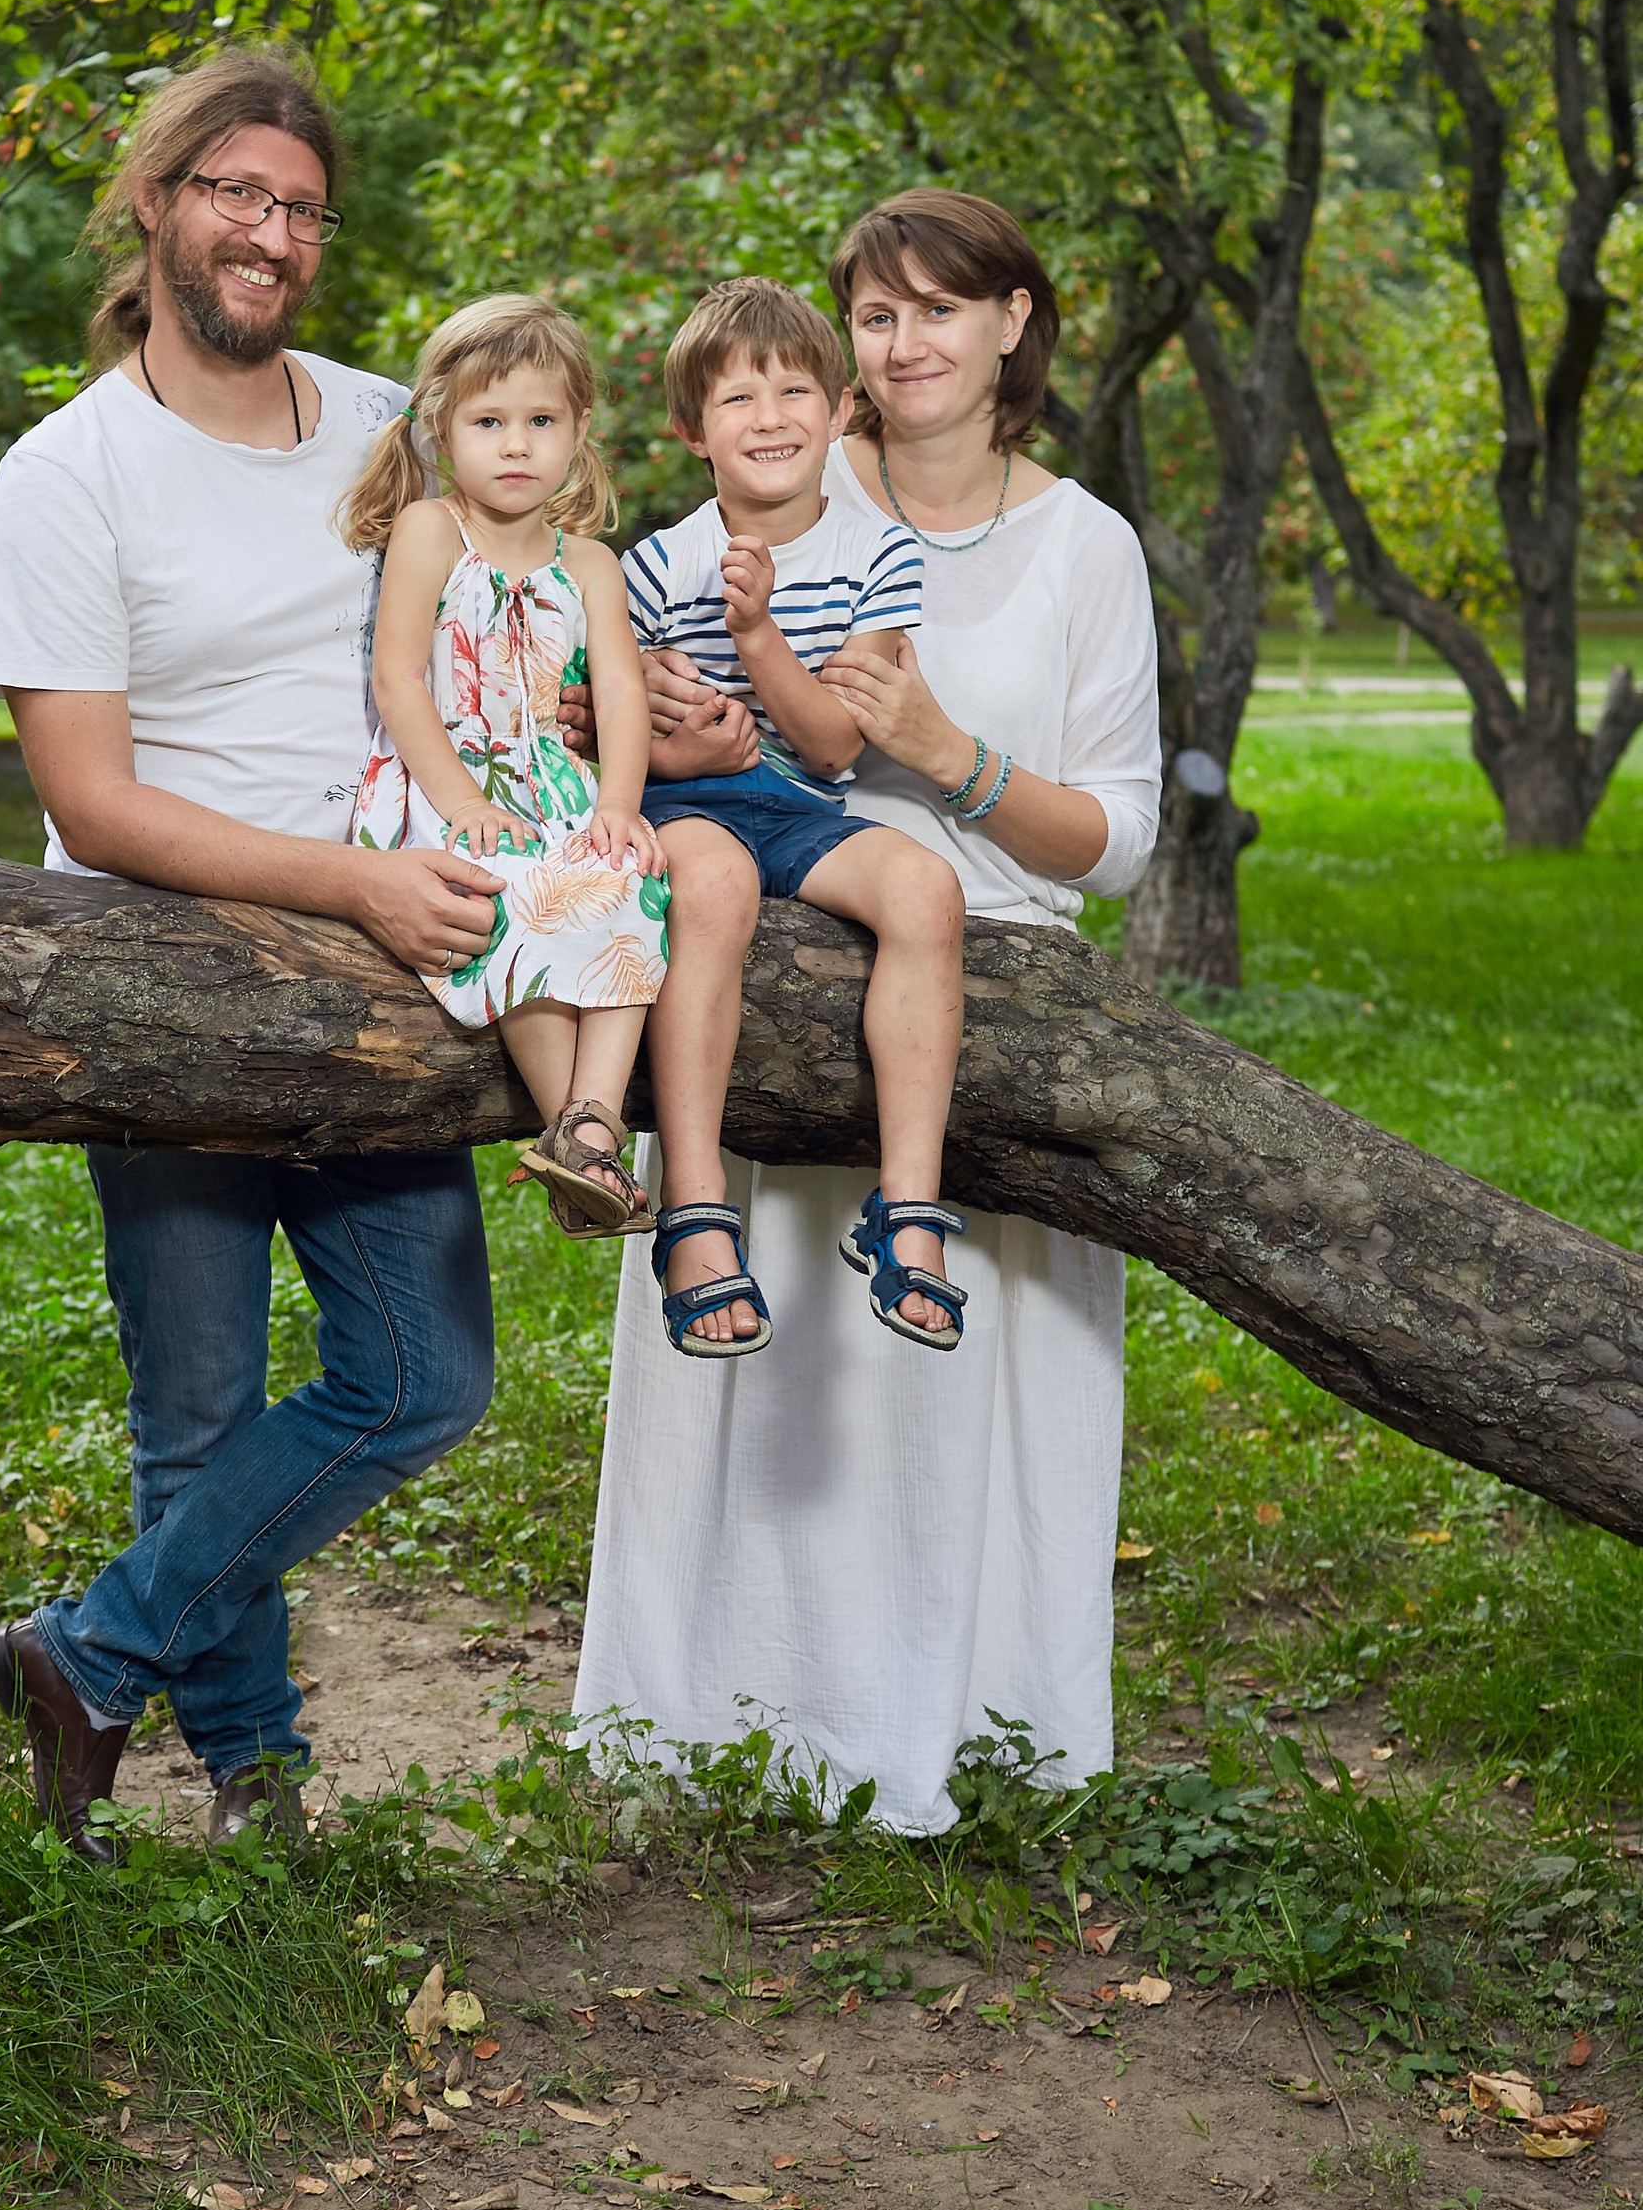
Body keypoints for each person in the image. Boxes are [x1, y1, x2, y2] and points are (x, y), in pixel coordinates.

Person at [0, 44, 514, 1862]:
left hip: (382, 992)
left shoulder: (384, 424)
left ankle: (85, 1647)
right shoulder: (70, 473)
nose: (269, 232)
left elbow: (506, 619)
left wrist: (642, 680)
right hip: (169, 985)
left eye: (299, 207)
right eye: (236, 194)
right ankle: (259, 1771)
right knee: (197, 1401)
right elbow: (92, 802)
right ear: (158, 202)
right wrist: (336, 885)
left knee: (423, 1379)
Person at [575, 193, 1161, 1829]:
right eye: (876, 316)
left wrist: (951, 754)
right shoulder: (760, 505)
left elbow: (1119, 844)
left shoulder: (1083, 546)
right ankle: (730, 1725)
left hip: (994, 972)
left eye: (940, 312)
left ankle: (974, 1734)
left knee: (955, 1388)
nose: (905, 346)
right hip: (760, 966)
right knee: (773, 1389)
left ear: (1015, 327)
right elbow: (620, 686)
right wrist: (667, 732)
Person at [624, 277, 973, 1358]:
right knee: (710, 888)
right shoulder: (649, 567)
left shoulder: (879, 555)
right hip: (682, 807)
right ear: (691, 430)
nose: (768, 417)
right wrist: (671, 727)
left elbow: (831, 747)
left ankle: (906, 1210)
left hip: (797, 805)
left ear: (838, 411)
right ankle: (693, 1212)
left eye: (791, 392)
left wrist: (758, 633)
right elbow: (602, 731)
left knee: (924, 887)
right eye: (735, 399)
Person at [344, 295, 667, 1237]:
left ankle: (590, 1128)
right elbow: (400, 682)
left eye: (541, 422)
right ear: (443, 429)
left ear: (579, 433)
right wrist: (463, 802)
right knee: (511, 890)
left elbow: (620, 696)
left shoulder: (593, 565)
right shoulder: (432, 531)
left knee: (630, 880)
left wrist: (618, 804)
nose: (516, 445)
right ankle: (575, 1139)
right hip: (443, 780)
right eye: (490, 422)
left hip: (553, 783)